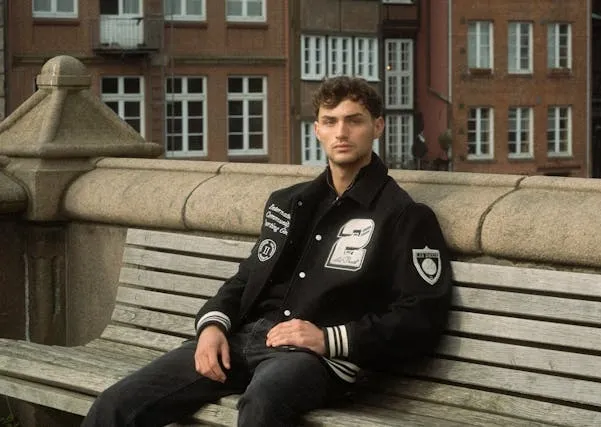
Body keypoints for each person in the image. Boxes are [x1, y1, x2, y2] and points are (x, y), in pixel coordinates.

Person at [81, 76, 453, 427]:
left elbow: (421, 315)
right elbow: (247, 278)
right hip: (238, 341)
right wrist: (211, 325)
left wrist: (328, 338)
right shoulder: (289, 203)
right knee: (115, 405)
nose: (341, 132)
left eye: (354, 121)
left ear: (377, 127)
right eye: (330, 121)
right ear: (317, 130)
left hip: (316, 359)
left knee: (262, 405)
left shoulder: (403, 216)